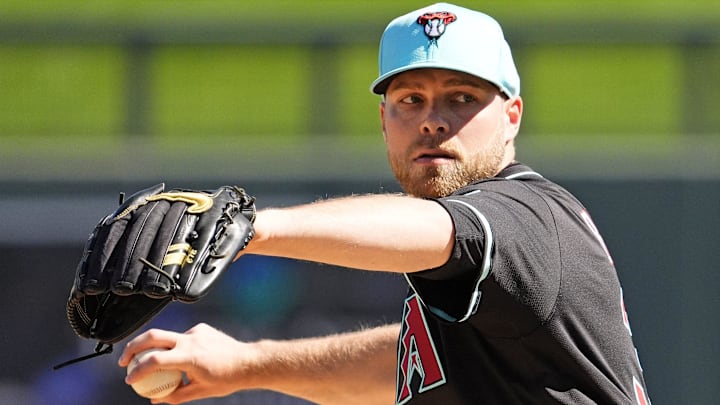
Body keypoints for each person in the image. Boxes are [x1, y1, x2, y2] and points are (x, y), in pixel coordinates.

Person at [118, 3, 651, 404]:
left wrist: (252, 228)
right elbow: (413, 363)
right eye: (410, 100)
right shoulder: (483, 297)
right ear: (384, 121)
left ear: (512, 116)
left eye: (462, 98)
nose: (432, 120)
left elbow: (440, 230)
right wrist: (247, 364)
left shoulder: (528, 215)